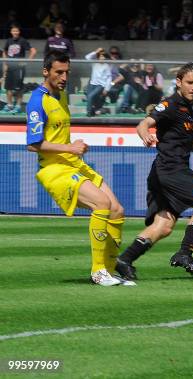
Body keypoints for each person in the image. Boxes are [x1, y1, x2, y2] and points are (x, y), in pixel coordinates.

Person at [115, 62, 193, 281]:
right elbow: (143, 123)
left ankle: (124, 260)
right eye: (190, 82)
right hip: (170, 169)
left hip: (168, 171)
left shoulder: (191, 107)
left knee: (164, 226)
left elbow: (187, 141)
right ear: (178, 82)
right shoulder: (170, 105)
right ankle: (185, 253)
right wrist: (145, 135)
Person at [26, 51, 131, 286]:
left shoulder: (61, 95)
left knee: (117, 210)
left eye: (67, 72)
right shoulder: (37, 100)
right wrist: (70, 148)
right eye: (59, 72)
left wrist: (73, 151)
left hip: (73, 164)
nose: (64, 77)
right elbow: (33, 145)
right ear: (46, 72)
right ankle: (98, 272)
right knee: (101, 204)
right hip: (54, 169)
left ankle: (110, 270)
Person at [2, 24, 36, 114]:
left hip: (19, 68)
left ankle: (18, 106)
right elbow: (4, 51)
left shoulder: (23, 41)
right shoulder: (8, 41)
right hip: (10, 67)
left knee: (18, 88)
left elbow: (33, 51)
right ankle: (9, 105)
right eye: (13, 31)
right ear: (11, 32)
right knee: (8, 87)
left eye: (16, 31)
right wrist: (6, 62)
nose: (15, 32)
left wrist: (27, 62)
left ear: (19, 32)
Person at [84, 48, 113, 117]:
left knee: (91, 96)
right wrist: (96, 51)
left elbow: (109, 78)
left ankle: (89, 112)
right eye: (100, 56)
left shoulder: (106, 66)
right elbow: (87, 57)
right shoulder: (94, 63)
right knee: (90, 97)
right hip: (92, 84)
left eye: (103, 56)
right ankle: (95, 110)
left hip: (100, 85)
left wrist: (107, 88)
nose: (102, 58)